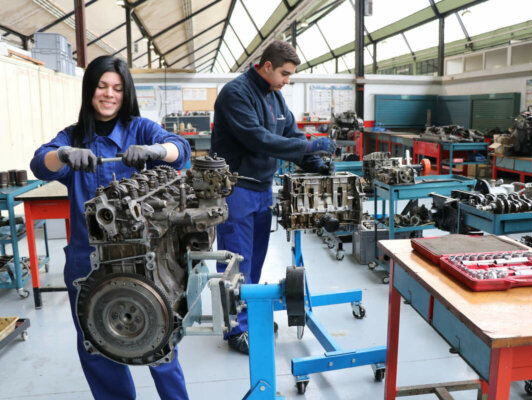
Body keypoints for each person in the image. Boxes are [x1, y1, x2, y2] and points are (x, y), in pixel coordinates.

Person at [30, 55, 191, 400]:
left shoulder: (140, 128)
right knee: (97, 343)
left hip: (141, 257)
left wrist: (155, 150)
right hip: (86, 260)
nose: (109, 94)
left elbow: (181, 149)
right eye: (102, 86)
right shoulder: (73, 136)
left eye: (117, 88)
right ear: (90, 89)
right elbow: (40, 163)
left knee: (160, 340)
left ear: (125, 92)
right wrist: (64, 154)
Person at [211, 40, 336, 354]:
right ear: (267, 66)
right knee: (235, 263)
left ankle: (250, 318)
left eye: (290, 75)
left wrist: (314, 162)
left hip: (262, 190)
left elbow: (291, 134)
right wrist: (309, 146)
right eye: (284, 73)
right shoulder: (236, 93)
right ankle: (236, 329)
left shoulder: (276, 97)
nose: (287, 80)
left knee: (255, 261)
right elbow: (258, 139)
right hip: (236, 189)